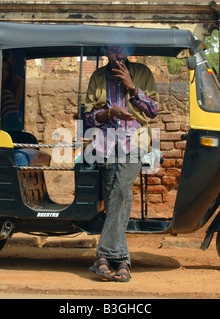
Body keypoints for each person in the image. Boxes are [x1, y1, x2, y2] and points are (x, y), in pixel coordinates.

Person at [84, 46, 159, 282]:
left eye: (121, 49)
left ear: (127, 50)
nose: (117, 53)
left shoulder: (142, 72)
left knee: (121, 190)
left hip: (135, 143)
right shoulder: (97, 76)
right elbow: (88, 117)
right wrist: (109, 113)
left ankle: (104, 255)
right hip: (105, 145)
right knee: (116, 200)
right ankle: (121, 261)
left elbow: (153, 110)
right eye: (112, 49)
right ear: (106, 51)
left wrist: (131, 87)